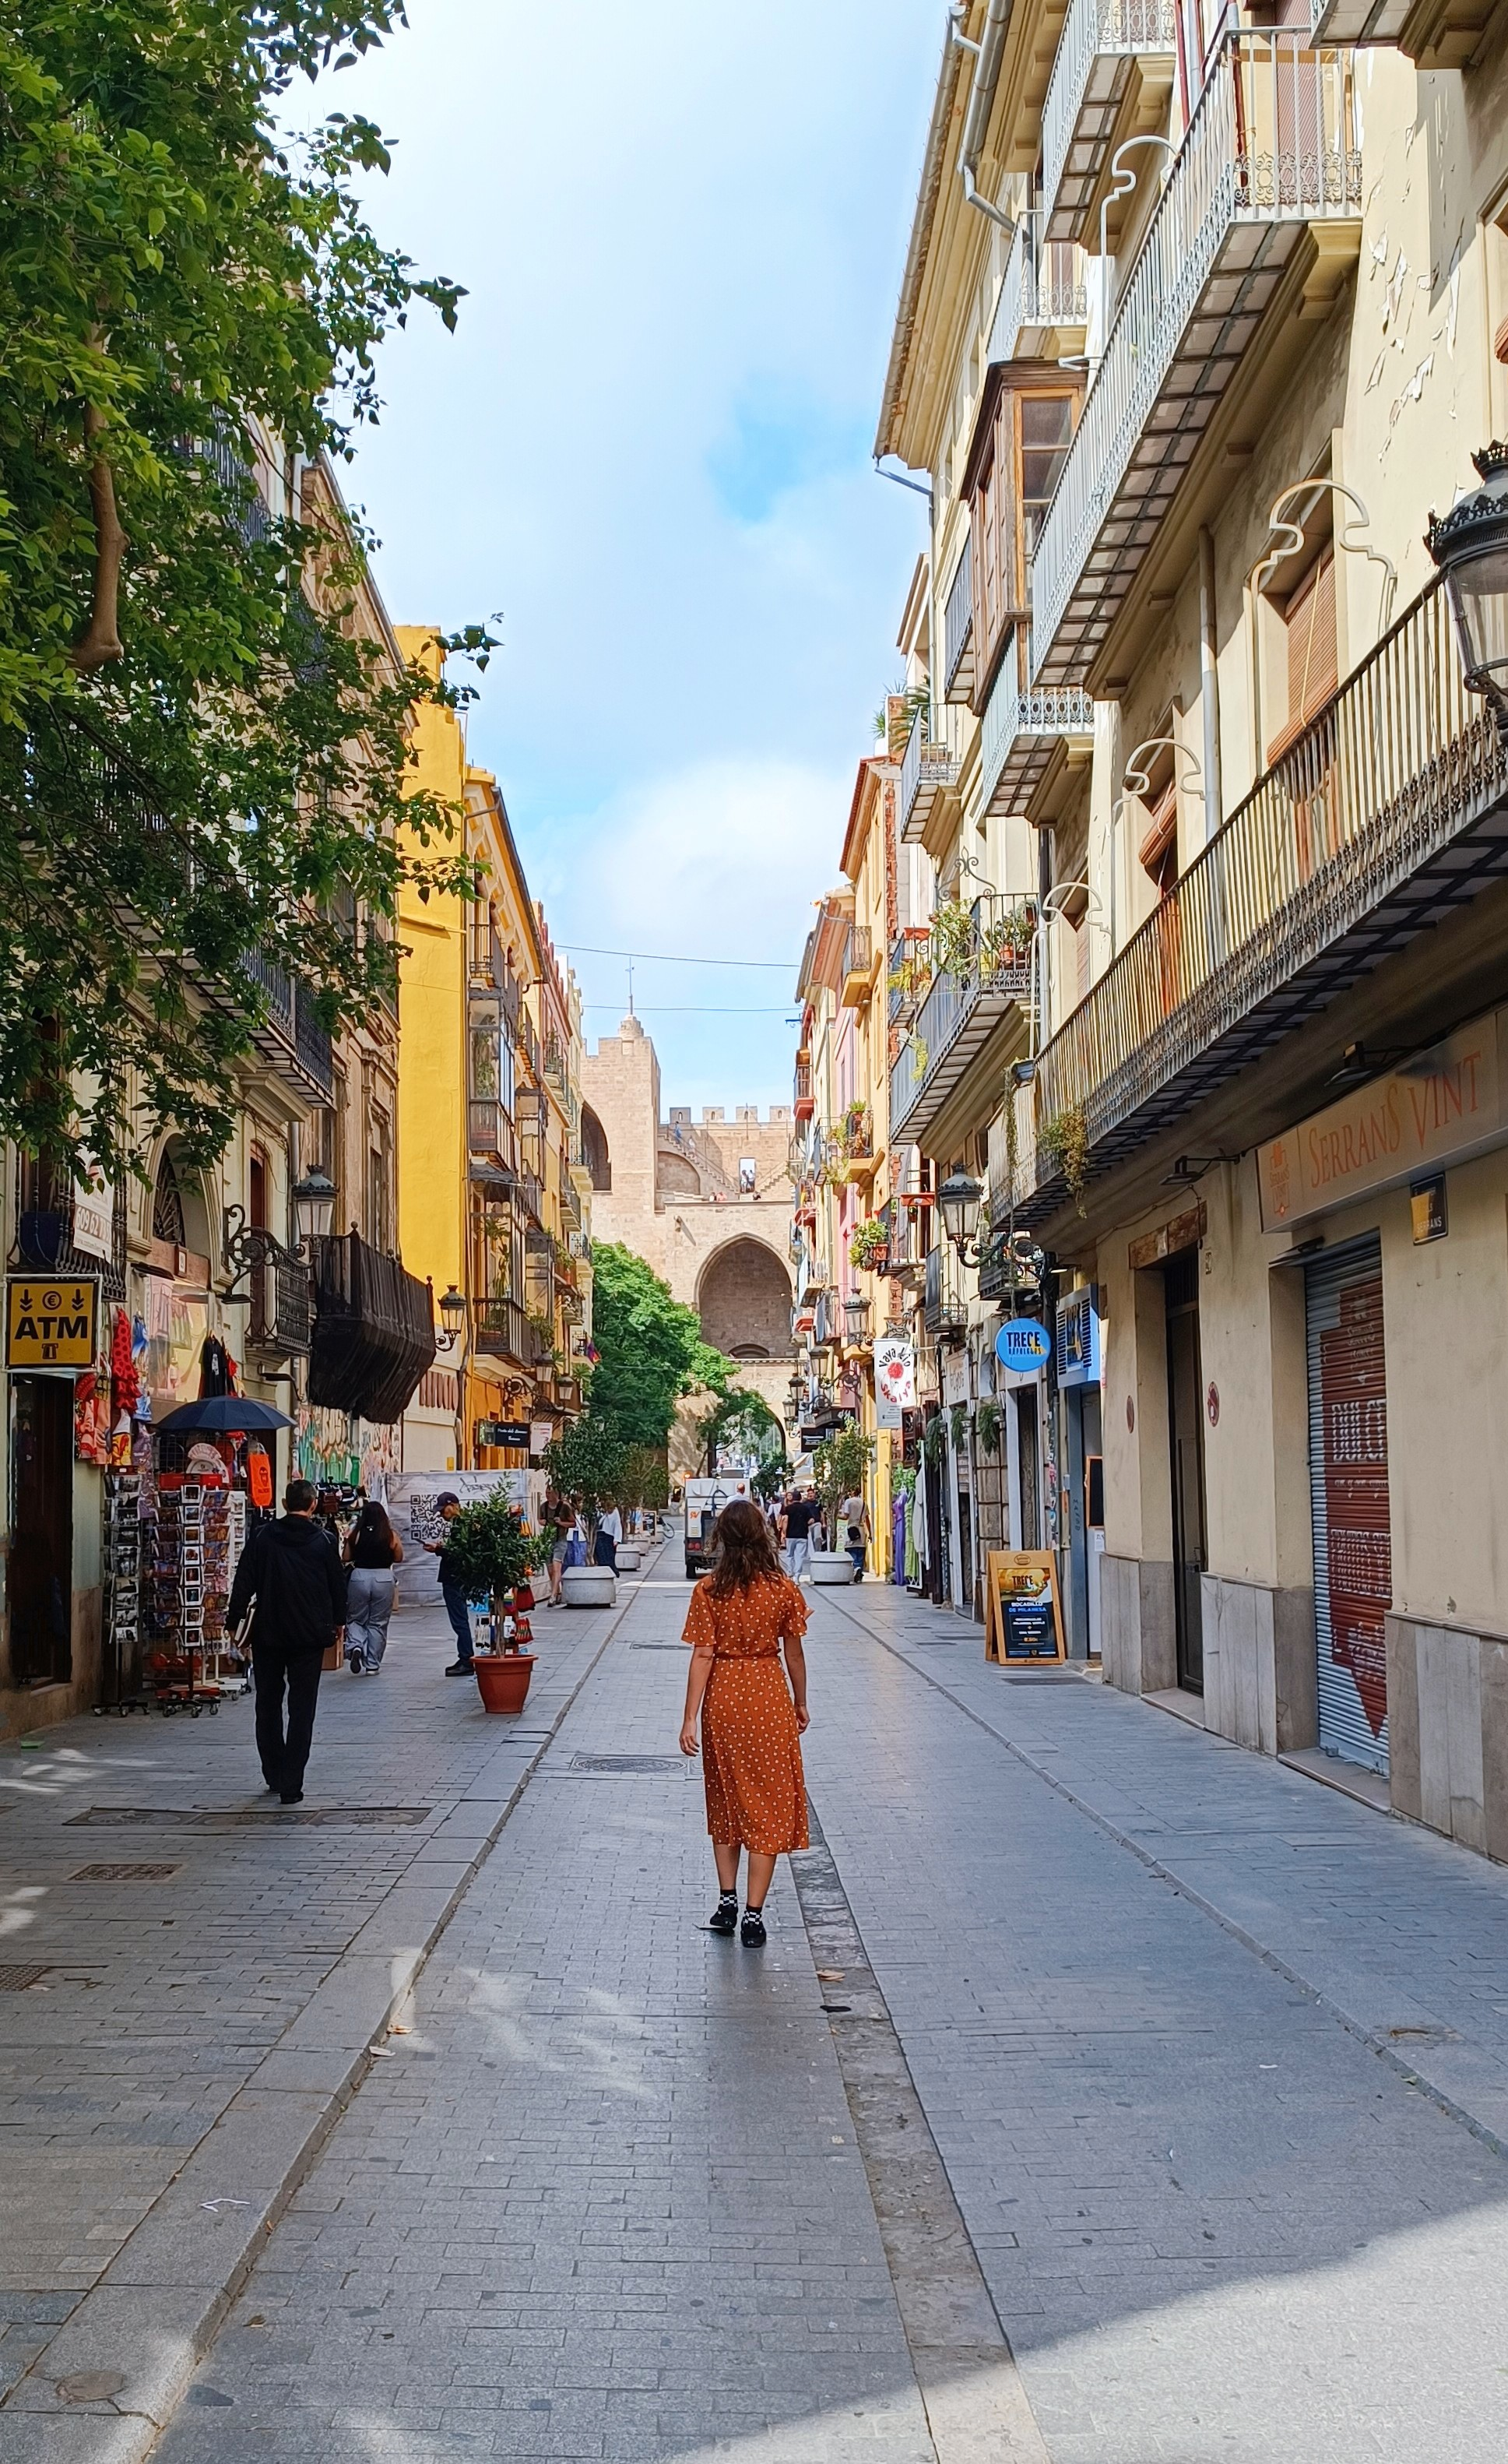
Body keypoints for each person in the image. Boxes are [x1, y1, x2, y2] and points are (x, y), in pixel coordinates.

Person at [678, 1499, 810, 1947]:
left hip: (725, 1701)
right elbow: (794, 1652)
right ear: (763, 1534)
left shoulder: (709, 1590)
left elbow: (702, 1655)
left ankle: (727, 1899)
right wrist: (801, 1701)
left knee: (727, 1798)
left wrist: (689, 1718)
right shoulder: (783, 1589)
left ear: (721, 1539)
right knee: (768, 1803)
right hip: (769, 1696)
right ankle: (754, 1914)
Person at [229, 1478, 346, 1805]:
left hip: (269, 1633)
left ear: (284, 1503)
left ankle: (274, 1773)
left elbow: (244, 1580)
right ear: (312, 1505)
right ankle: (292, 1783)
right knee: (301, 1708)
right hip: (309, 1636)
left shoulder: (263, 1537)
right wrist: (339, 1622)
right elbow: (337, 1585)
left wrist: (233, 1619)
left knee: (267, 1704)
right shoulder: (324, 1541)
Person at [343, 1501, 403, 1674]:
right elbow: (399, 1557)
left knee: (355, 1618)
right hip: (384, 1578)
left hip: (360, 1577)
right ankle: (372, 1665)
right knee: (378, 1622)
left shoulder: (356, 1534)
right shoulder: (390, 1535)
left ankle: (356, 1646)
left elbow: (346, 1557)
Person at [423, 1494, 475, 1673]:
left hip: (454, 1579)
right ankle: (465, 1657)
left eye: (443, 1510)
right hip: (456, 1578)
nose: (441, 1515)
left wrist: (439, 1549)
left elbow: (459, 1554)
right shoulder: (462, 1524)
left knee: (459, 1621)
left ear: (452, 1505)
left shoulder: (462, 1525)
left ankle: (467, 1659)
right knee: (460, 1621)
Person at [779, 1485, 820, 1582]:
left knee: (789, 1555)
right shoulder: (805, 1508)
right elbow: (811, 1520)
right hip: (802, 1535)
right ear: (801, 1498)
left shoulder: (788, 1508)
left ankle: (790, 1572)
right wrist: (805, 1524)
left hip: (790, 1535)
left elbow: (785, 1520)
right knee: (800, 1556)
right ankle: (797, 1576)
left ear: (792, 1498)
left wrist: (784, 1533)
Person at [545, 1498, 575, 1604]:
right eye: (547, 1493)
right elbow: (540, 1520)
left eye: (550, 1493)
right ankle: (558, 1592)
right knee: (550, 1570)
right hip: (548, 1540)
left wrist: (561, 1523)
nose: (548, 1495)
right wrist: (542, 1522)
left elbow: (573, 1523)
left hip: (561, 1540)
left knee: (556, 1567)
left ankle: (552, 1596)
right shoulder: (544, 1506)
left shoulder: (565, 1507)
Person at [840, 1487, 871, 1582]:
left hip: (851, 1529)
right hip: (861, 1529)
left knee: (851, 1551)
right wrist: (870, 1533)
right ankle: (859, 1572)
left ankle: (855, 1569)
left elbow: (846, 1516)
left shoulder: (848, 1502)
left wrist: (836, 1515)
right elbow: (867, 1519)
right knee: (860, 1552)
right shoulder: (864, 1503)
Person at [595, 1500, 622, 1572]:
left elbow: (617, 1526)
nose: (610, 1510)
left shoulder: (615, 1513)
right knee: (601, 1554)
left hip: (609, 1536)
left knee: (609, 1555)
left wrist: (616, 1540)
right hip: (601, 1535)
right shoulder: (602, 1513)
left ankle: (611, 1569)